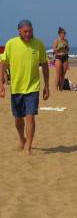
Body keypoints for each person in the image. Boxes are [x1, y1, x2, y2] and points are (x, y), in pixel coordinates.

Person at [0, 20, 50, 154]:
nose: (28, 34)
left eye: (30, 31)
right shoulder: (11, 44)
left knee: (30, 117)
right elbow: (3, 63)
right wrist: (1, 84)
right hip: (16, 87)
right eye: (25, 31)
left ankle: (28, 145)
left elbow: (44, 64)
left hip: (33, 87)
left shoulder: (38, 44)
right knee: (18, 118)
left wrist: (47, 86)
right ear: (19, 31)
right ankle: (22, 138)